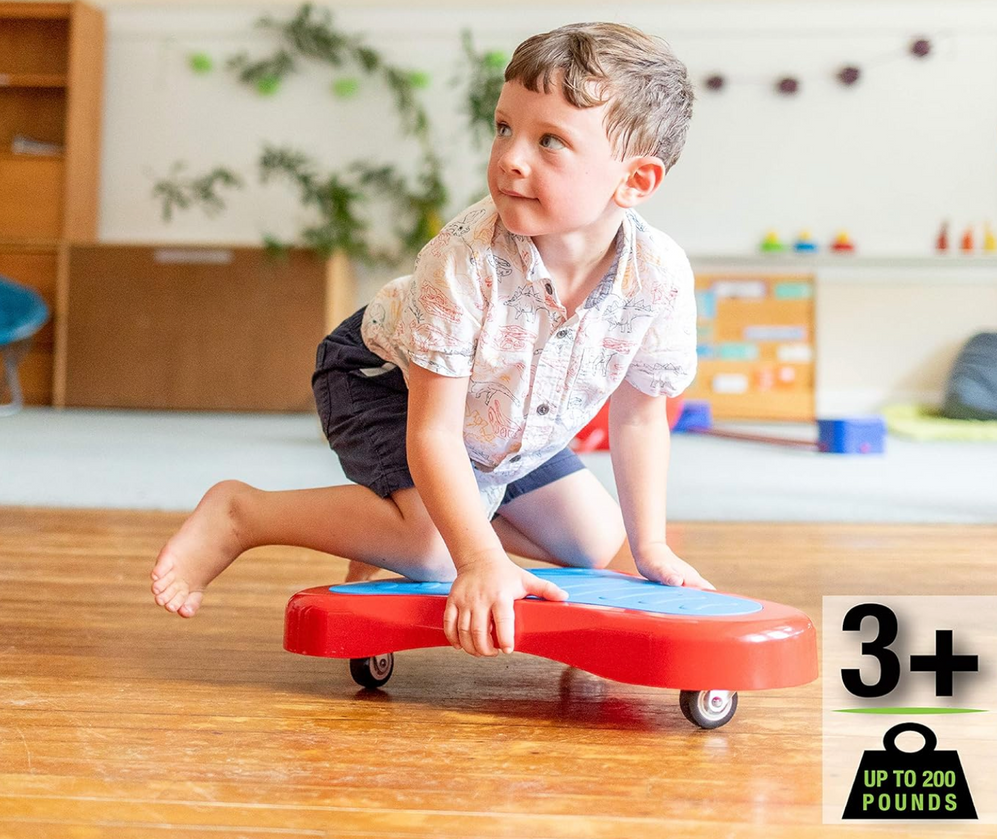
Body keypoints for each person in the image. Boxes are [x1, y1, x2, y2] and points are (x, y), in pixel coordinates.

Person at [151, 21, 712, 657]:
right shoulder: (463, 258)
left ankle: (389, 527)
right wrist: (477, 558)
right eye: (504, 128)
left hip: (507, 428)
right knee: (436, 553)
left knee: (593, 542)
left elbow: (639, 420)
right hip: (384, 381)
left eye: (549, 140)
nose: (510, 158)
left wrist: (652, 547)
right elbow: (435, 433)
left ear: (635, 181)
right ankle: (243, 513)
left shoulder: (657, 276)